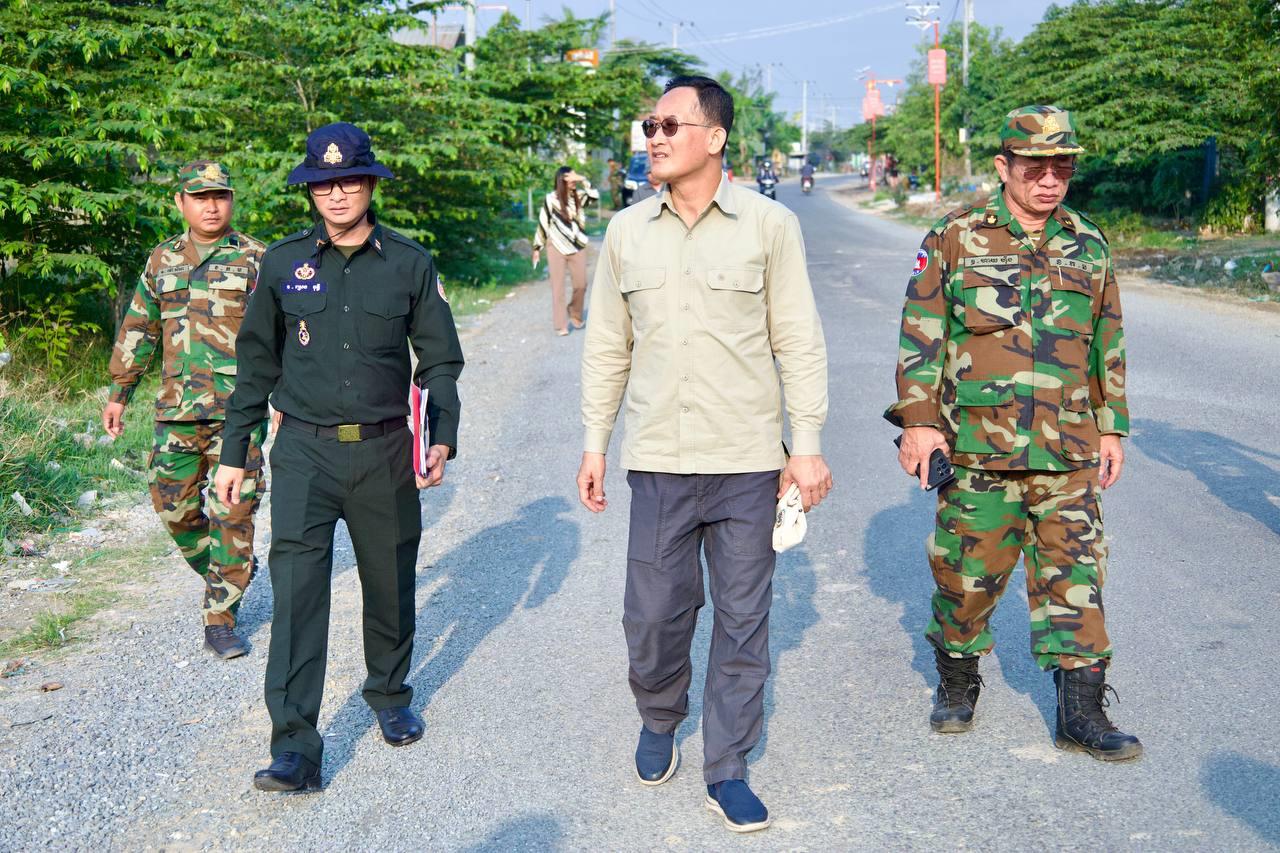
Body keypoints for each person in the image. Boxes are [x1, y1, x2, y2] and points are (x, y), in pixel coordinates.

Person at [578, 75, 831, 832]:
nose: (654, 138)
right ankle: (660, 716)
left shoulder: (770, 225)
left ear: (715, 137)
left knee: (743, 620)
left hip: (748, 462)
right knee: (654, 616)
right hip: (659, 459)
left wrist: (806, 447)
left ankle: (727, 765)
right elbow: (607, 346)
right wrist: (594, 443)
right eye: (649, 127)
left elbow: (798, 339)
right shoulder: (627, 232)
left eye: (670, 125)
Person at [213, 122, 465, 792]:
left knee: (390, 581)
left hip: (384, 450)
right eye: (325, 184)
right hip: (303, 452)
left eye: (350, 180)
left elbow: (439, 359)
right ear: (311, 190)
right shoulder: (281, 264)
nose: (338, 193)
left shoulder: (408, 263)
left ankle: (389, 693)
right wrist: (235, 451)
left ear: (370, 183)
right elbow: (255, 365)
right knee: (297, 595)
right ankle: (294, 746)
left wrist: (440, 433)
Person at [885, 105, 1141, 761]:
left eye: (1063, 168)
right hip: (978, 450)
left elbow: (1106, 340)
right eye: (1035, 168)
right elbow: (921, 337)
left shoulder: (1089, 243)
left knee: (1077, 579)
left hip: (1069, 449)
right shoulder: (955, 236)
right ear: (1004, 167)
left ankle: (1081, 713)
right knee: (966, 580)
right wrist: (918, 425)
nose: (1050, 180)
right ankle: (957, 678)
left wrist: (1112, 426)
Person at [104, 160, 267, 660]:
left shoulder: (257, 257)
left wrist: (283, 396)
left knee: (232, 511)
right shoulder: (162, 260)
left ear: (231, 200)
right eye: (200, 197)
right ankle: (230, 567)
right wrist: (119, 392)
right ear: (180, 202)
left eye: (220, 196)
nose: (211, 206)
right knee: (173, 508)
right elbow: (140, 326)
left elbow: (280, 335)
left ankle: (220, 618)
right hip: (176, 409)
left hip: (239, 411)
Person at [532, 166, 599, 336]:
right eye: (571, 177)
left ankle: (575, 313)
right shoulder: (551, 199)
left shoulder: (579, 196)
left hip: (577, 245)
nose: (574, 180)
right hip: (556, 246)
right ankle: (560, 325)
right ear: (562, 180)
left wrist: (582, 179)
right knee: (558, 287)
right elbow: (543, 222)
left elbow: (594, 196)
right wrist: (537, 248)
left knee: (581, 285)